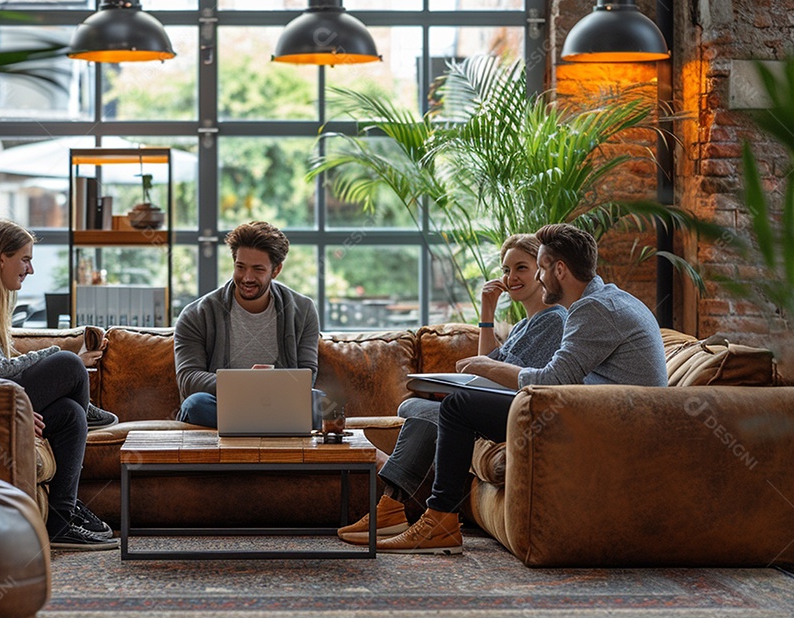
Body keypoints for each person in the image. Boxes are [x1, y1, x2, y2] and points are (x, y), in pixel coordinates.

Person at [376, 223, 668, 555]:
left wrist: (487, 366)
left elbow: (554, 380)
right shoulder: (607, 299)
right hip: (599, 410)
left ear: (559, 269)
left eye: (540, 268)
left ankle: (439, 522)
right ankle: (434, 520)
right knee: (458, 405)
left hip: (604, 420)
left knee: (457, 408)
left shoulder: (593, 309)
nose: (540, 278)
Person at [337, 234, 568, 544]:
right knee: (412, 408)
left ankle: (392, 508)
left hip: (512, 408)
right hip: (488, 401)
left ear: (541, 272)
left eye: (521, 268)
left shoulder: (553, 319)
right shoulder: (526, 324)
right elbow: (486, 364)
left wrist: (467, 384)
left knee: (431, 410)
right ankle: (392, 508)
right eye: (506, 269)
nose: (511, 277)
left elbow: (519, 381)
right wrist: (487, 312)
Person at [0, 220, 118, 551]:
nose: (31, 269)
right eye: (25, 259)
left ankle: (60, 519)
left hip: (0, 400)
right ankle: (85, 405)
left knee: (69, 414)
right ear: (0, 259)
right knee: (68, 365)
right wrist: (58, 351)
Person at [173, 221, 321, 427]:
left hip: (279, 403)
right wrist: (244, 384)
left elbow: (307, 374)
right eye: (240, 267)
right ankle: (269, 427)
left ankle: (248, 426)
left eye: (258, 269)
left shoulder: (303, 310)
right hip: (223, 404)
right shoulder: (196, 315)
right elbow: (189, 379)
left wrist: (264, 388)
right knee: (195, 405)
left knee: (318, 402)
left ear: (276, 270)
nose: (247, 277)